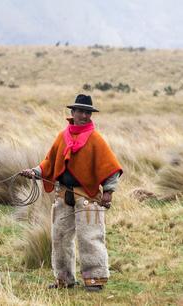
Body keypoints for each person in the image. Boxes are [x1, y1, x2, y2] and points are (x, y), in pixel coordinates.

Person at [21, 94, 122, 292]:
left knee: (90, 237)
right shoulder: (62, 136)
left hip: (89, 198)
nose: (84, 115)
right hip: (63, 196)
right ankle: (64, 279)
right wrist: (35, 172)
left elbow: (110, 167)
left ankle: (95, 280)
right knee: (59, 237)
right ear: (72, 113)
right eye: (80, 111)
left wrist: (108, 191)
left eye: (87, 112)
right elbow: (49, 162)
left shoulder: (96, 139)